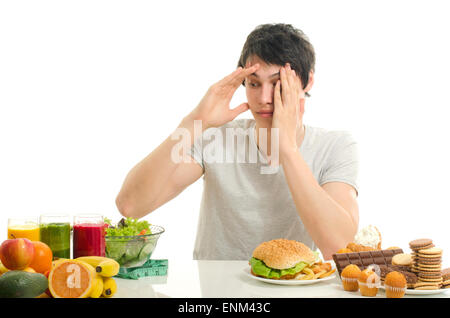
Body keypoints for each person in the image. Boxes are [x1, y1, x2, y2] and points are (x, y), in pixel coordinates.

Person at [115, 23, 359, 261]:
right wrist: (194, 121)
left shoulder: (336, 146)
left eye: (277, 84)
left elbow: (338, 247)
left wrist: (287, 148)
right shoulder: (216, 137)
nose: (264, 98)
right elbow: (130, 205)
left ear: (307, 83)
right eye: (254, 83)